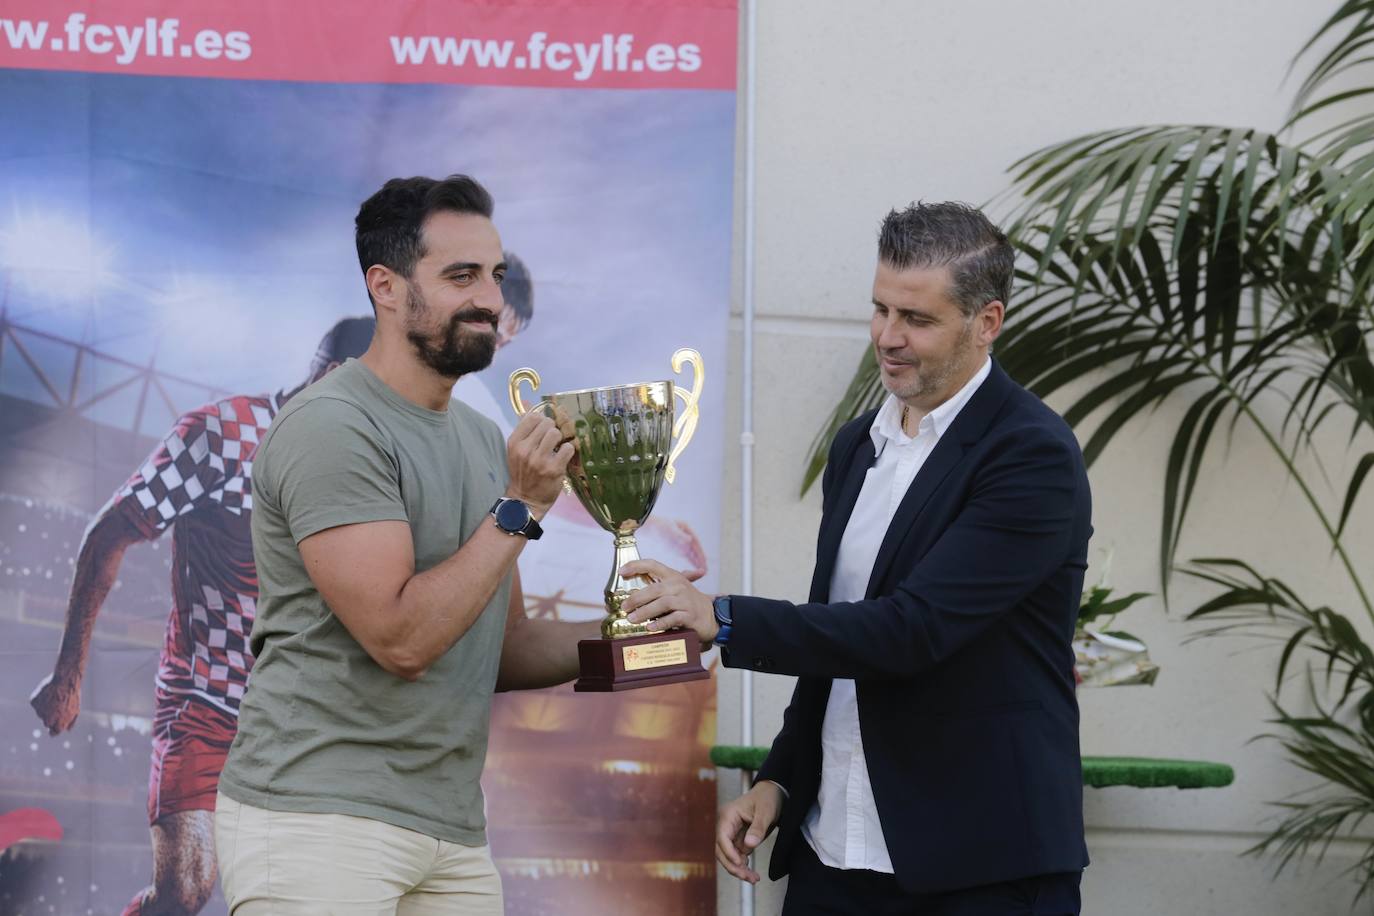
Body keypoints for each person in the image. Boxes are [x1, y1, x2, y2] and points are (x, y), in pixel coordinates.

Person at [622, 202, 1093, 914]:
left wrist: (722, 617)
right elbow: (837, 628)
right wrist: (781, 779)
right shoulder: (857, 445)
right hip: (831, 853)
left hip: (979, 864)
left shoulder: (1032, 454)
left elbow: (912, 630)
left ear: (987, 322)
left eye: (918, 319)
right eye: (880, 309)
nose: (888, 338)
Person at [214, 174, 607, 914]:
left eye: (495, 275)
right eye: (461, 276)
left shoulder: (483, 438)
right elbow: (402, 640)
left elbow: (504, 646)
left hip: (450, 831)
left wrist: (646, 636)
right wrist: (522, 506)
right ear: (385, 287)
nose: (489, 299)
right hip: (315, 820)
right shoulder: (333, 425)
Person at [28, 315, 377, 916]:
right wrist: (68, 674)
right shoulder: (222, 436)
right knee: (183, 894)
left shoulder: (360, 473)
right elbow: (108, 534)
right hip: (205, 701)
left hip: (298, 722)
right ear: (337, 376)